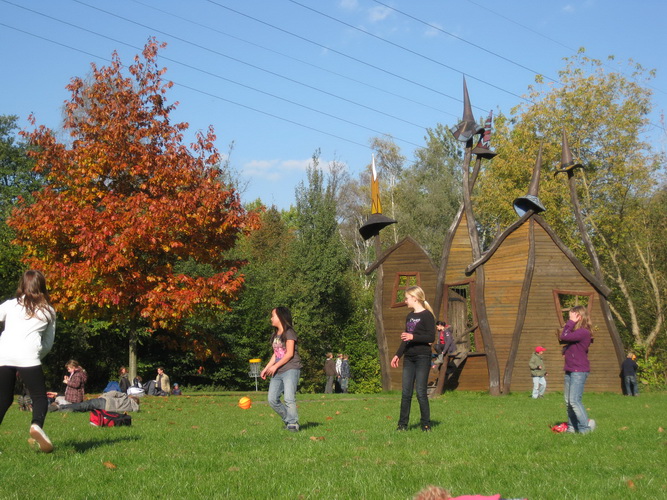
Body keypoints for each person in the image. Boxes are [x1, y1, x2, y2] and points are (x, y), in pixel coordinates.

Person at [0, 270, 56, 453]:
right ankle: (36, 425)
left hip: (4, 354)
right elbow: (47, 344)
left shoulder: (10, 305)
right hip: (29, 356)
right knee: (39, 397)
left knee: (4, 398)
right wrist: (34, 358)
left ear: (22, 284)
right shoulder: (48, 310)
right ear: (42, 286)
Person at [391, 286, 436, 432]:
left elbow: (431, 337)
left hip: (423, 356)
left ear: (414, 298)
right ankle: (402, 425)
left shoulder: (427, 316)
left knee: (421, 392)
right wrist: (398, 355)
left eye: (406, 298)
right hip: (409, 358)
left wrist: (413, 337)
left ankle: (426, 425)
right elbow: (406, 339)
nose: (405, 301)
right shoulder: (409, 316)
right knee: (406, 393)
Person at [260, 306, 302, 432]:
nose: (271, 318)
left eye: (273, 316)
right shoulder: (275, 335)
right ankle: (289, 420)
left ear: (281, 317)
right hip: (278, 371)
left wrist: (275, 366)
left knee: (289, 398)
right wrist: (266, 368)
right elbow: (276, 354)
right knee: (272, 399)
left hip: (291, 369)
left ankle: (293, 424)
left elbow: (289, 354)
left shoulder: (289, 332)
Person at [560, 305, 596, 434]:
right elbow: (571, 343)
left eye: (571, 316)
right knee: (568, 402)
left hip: (578, 371)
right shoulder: (577, 333)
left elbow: (563, 336)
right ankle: (571, 427)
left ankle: (584, 428)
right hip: (570, 369)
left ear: (578, 317)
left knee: (574, 401)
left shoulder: (583, 332)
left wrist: (570, 323)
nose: (568, 319)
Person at [52, 390, 140, 413]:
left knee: (84, 405)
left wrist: (102, 396)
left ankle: (60, 407)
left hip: (105, 402)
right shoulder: (133, 408)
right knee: (85, 409)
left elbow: (114, 393)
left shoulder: (126, 397)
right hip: (108, 410)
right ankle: (61, 410)